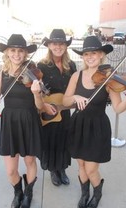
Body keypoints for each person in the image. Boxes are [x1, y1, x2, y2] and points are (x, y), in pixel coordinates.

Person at [62, 36, 126, 208]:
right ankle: (84, 193)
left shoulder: (109, 78)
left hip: (97, 127)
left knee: (91, 169)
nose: (90, 57)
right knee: (81, 165)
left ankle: (97, 192)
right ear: (82, 56)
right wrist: (75, 97)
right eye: (86, 54)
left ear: (101, 55)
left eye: (94, 53)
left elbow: (119, 108)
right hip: (78, 124)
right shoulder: (77, 75)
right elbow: (65, 101)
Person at [0, 34, 43, 208]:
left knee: (29, 161)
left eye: (20, 51)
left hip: (29, 119)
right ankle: (17, 192)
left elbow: (40, 106)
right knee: (11, 170)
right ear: (7, 52)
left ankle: (28, 192)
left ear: (25, 53)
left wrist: (36, 93)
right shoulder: (1, 75)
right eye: (13, 50)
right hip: (9, 122)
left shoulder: (33, 73)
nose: (16, 54)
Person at [37, 29, 77, 186]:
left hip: (65, 109)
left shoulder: (71, 65)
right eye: (55, 43)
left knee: (64, 140)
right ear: (49, 45)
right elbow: (37, 91)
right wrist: (44, 104)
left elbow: (76, 86)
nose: (58, 47)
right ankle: (54, 170)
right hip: (49, 110)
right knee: (51, 140)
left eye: (61, 44)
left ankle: (62, 169)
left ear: (66, 46)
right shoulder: (42, 66)